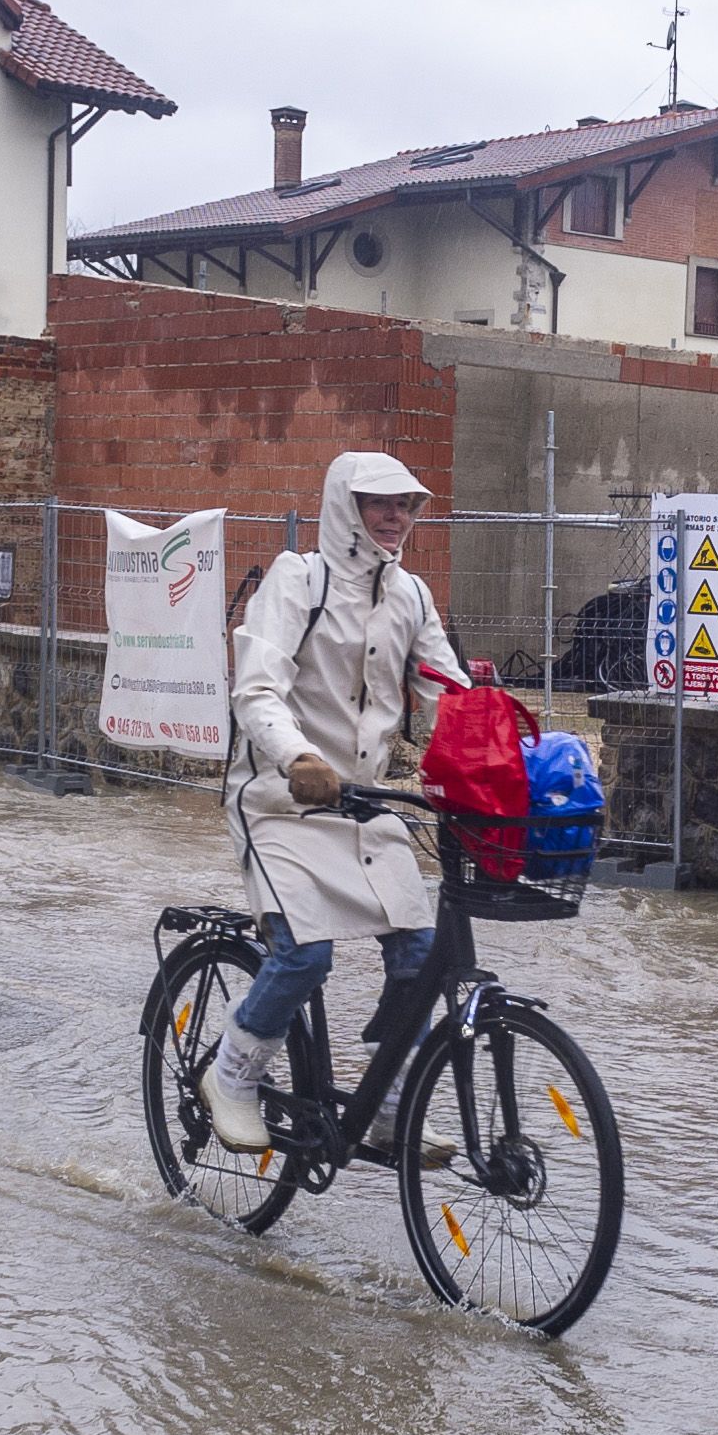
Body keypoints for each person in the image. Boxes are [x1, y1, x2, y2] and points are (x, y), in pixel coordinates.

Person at [200, 450, 468, 1152]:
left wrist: (505, 757)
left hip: (364, 804)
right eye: (379, 503)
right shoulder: (297, 580)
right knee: (303, 957)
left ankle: (390, 1101)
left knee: (419, 951)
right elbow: (255, 688)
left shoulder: (410, 596)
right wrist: (298, 757)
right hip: (279, 800)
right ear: (345, 507)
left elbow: (451, 693)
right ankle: (231, 1075)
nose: (394, 517)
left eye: (406, 505)